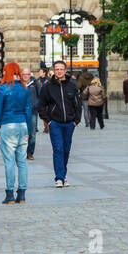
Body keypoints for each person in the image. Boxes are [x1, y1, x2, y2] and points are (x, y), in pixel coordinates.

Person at [37, 60, 81, 188]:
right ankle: (59, 178)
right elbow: (41, 105)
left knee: (66, 150)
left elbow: (78, 105)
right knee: (58, 149)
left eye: (61, 69)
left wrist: (76, 121)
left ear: (65, 70)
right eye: (57, 69)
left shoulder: (72, 85)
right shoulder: (48, 86)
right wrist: (48, 121)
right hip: (55, 123)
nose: (59, 71)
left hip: (69, 123)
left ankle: (63, 175)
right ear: (54, 71)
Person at [0, 62, 34, 203]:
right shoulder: (24, 89)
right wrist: (29, 129)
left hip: (8, 124)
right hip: (22, 124)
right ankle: (22, 194)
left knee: (9, 161)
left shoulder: (3, 88)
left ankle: (10, 193)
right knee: (22, 161)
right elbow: (28, 110)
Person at [22, 67, 39, 159]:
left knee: (32, 133)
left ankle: (30, 153)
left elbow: (40, 95)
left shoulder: (35, 83)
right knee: (22, 133)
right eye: (24, 74)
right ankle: (22, 152)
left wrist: (36, 105)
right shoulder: (19, 84)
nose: (25, 76)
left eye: (27, 74)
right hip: (21, 113)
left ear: (30, 75)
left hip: (33, 112)